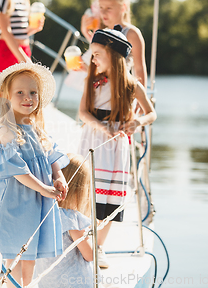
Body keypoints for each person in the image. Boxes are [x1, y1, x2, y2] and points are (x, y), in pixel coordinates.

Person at [0, 62, 69, 287]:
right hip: (15, 205)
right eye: (20, 93)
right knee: (14, 258)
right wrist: (45, 189)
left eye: (33, 93)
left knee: (30, 257)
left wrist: (59, 176)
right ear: (6, 97)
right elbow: (17, 170)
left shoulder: (36, 127)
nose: (27, 97)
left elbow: (52, 157)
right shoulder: (6, 128)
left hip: (36, 203)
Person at [78, 28, 156, 268]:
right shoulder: (92, 81)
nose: (93, 59)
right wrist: (101, 127)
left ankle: (99, 245)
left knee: (109, 197)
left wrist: (137, 121)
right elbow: (82, 112)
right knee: (89, 192)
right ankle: (85, 239)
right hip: (94, 141)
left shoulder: (132, 86)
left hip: (116, 146)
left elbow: (151, 113)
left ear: (112, 55)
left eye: (97, 54)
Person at [35, 153, 103, 288]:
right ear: (81, 191)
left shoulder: (41, 213)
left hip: (47, 283)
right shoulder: (71, 219)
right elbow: (90, 255)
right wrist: (90, 234)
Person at [99, 0, 147, 87]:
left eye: (109, 8)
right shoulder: (102, 33)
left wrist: (140, 99)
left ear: (123, 7)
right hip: (103, 90)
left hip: (122, 90)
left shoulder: (131, 33)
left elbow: (139, 68)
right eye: (101, 7)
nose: (103, 12)